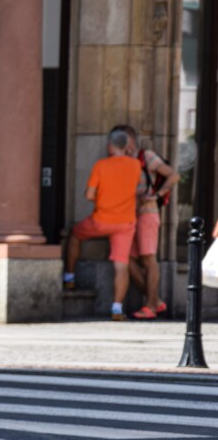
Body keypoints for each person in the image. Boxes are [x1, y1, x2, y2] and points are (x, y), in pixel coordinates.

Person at [63, 127, 141, 320]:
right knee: (121, 265)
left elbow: (89, 195)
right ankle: (116, 308)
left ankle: (70, 277)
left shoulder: (101, 165)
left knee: (75, 234)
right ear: (128, 146)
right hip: (125, 222)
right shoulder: (136, 165)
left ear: (109, 146)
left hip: (101, 220)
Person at [113, 125, 179, 319]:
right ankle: (156, 301)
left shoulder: (146, 156)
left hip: (147, 213)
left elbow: (173, 175)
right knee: (128, 259)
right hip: (128, 214)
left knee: (148, 258)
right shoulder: (120, 160)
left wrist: (156, 194)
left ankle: (150, 306)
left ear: (131, 140)